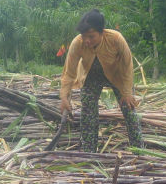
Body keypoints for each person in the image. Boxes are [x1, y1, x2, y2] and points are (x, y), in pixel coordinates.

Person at [60, 9, 142, 152]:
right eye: (84, 36)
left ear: (102, 32)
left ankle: (138, 149)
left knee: (129, 110)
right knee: (88, 113)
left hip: (117, 76)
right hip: (90, 76)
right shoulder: (77, 43)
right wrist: (64, 96)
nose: (87, 41)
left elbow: (127, 66)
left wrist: (127, 93)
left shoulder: (116, 39)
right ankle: (89, 151)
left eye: (91, 36)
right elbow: (69, 72)